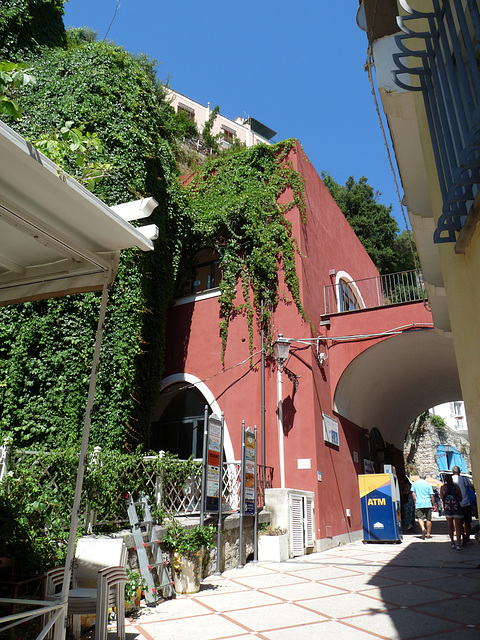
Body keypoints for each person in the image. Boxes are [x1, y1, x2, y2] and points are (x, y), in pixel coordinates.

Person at [440, 473, 463, 550]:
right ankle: (458, 543)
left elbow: (442, 498)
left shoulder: (443, 488)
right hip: (456, 508)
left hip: (448, 509)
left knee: (450, 526)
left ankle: (452, 542)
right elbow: (460, 498)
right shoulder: (456, 487)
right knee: (458, 527)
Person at [452, 466, 473, 545]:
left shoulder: (450, 479)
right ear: (459, 472)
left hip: (456, 504)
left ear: (452, 472)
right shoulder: (464, 479)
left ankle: (461, 537)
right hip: (466, 503)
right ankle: (467, 537)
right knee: (467, 522)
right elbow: (472, 487)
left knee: (458, 522)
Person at [411, 472, 435, 539]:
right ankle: (428, 534)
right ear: (425, 477)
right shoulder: (428, 484)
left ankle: (423, 529)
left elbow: (413, 494)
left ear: (419, 477)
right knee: (428, 519)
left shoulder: (414, 484)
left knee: (420, 518)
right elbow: (432, 495)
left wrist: (415, 502)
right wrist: (434, 503)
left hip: (419, 503)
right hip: (427, 503)